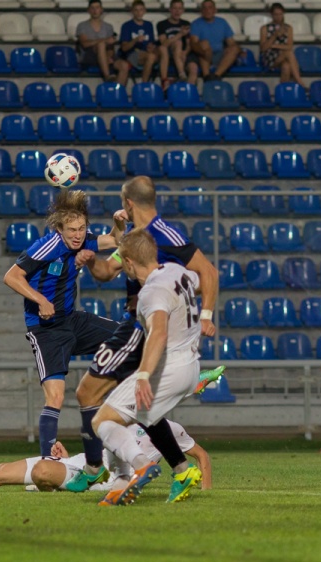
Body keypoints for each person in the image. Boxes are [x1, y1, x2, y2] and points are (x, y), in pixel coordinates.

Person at [64, 176, 219, 493]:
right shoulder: (135, 238)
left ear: (129, 203)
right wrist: (92, 261)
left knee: (88, 394)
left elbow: (208, 272)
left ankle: (98, 468)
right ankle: (178, 470)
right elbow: (107, 272)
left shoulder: (166, 235)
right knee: (140, 408)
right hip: (141, 323)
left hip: (137, 328)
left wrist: (205, 314)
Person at [3, 189, 122, 462]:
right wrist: (41, 300)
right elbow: (11, 276)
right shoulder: (46, 246)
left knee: (128, 337)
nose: (78, 235)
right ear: (59, 229)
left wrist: (118, 223)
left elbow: (116, 239)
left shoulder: (84, 241)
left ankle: (140, 395)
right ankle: (48, 462)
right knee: (55, 397)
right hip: (46, 329)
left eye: (81, 228)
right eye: (71, 230)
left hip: (72, 320)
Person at [92, 228, 204, 505]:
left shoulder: (151, 292)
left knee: (103, 420)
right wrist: (209, 312)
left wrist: (143, 375)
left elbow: (158, 333)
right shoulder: (179, 272)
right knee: (147, 416)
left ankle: (140, 467)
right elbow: (205, 280)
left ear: (129, 263)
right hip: (192, 365)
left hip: (170, 368)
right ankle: (182, 470)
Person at [0, 419, 212, 498]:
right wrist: (69, 457)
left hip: (103, 481)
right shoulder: (125, 414)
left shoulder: (171, 429)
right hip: (81, 462)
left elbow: (201, 456)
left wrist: (205, 491)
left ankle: (57, 483)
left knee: (41, 471)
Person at [76, 0, 131, 85]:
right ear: (89, 10)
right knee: (101, 45)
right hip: (89, 56)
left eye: (97, 8)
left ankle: (118, 91)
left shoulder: (108, 27)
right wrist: (104, 40)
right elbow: (85, 44)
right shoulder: (82, 25)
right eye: (92, 8)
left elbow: (111, 47)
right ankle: (108, 77)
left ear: (101, 10)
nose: (95, 11)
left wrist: (108, 56)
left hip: (106, 54)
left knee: (124, 65)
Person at [189, 0, 241, 81]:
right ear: (201, 11)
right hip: (203, 55)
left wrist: (239, 50)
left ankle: (216, 76)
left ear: (215, 10)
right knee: (204, 44)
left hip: (220, 55)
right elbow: (193, 43)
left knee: (235, 48)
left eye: (210, 8)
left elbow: (231, 42)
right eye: (205, 8)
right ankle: (206, 76)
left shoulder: (222, 22)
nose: (207, 10)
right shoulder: (196, 23)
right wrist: (205, 53)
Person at [259, 3, 304, 86]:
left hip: (284, 56)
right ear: (272, 15)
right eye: (276, 14)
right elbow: (263, 48)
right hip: (270, 57)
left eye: (280, 14)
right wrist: (275, 35)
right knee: (288, 52)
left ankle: (283, 89)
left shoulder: (288, 28)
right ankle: (300, 82)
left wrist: (274, 45)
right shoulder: (264, 28)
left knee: (286, 66)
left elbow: (289, 46)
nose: (278, 17)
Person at [157, 0, 196, 87]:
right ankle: (181, 74)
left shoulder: (186, 23)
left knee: (179, 45)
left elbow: (189, 44)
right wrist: (180, 34)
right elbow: (164, 44)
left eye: (179, 8)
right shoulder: (162, 24)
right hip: (167, 53)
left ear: (183, 10)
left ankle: (186, 87)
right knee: (177, 42)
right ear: (170, 9)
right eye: (174, 8)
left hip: (182, 54)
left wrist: (185, 53)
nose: (177, 11)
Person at [119, 1, 159, 83]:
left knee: (160, 52)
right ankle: (144, 84)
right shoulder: (127, 26)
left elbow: (151, 43)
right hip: (132, 54)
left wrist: (151, 47)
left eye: (141, 10)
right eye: (136, 10)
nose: (139, 13)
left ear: (144, 11)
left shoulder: (149, 25)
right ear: (132, 11)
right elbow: (124, 48)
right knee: (151, 57)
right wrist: (135, 40)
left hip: (147, 53)